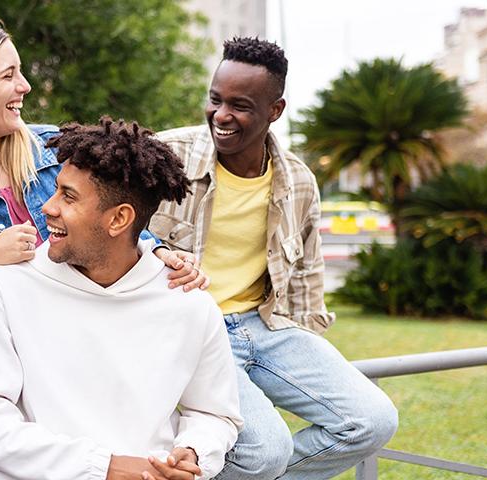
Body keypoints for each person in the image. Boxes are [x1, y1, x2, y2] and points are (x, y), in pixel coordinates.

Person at [150, 37, 398, 480]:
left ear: (275, 111)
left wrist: (305, 351)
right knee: (265, 452)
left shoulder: (299, 181)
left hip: (263, 326)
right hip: (190, 327)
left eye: (240, 106)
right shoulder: (165, 156)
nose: (221, 116)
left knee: (373, 421)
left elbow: (306, 276)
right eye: (215, 100)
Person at [0, 117, 243, 480]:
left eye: (68, 197)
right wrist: (103, 467)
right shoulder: (8, 287)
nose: (48, 208)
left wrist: (194, 452)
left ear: (119, 219)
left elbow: (214, 413)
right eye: (56, 190)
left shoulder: (188, 303)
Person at [0, 19, 208, 371]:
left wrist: (160, 252)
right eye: (8, 75)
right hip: (6, 368)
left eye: (21, 72)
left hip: (88, 341)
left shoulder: (54, 147)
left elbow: (113, 216)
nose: (24, 86)